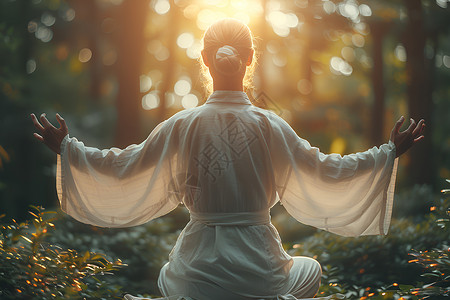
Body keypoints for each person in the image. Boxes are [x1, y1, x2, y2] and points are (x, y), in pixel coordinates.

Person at [31, 18, 425, 300]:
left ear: (205, 59)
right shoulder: (271, 125)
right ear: (249, 59)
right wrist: (388, 153)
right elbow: (327, 170)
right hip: (261, 268)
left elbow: (124, 166)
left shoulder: (181, 125)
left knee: (170, 277)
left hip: (197, 270)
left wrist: (69, 149)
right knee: (309, 271)